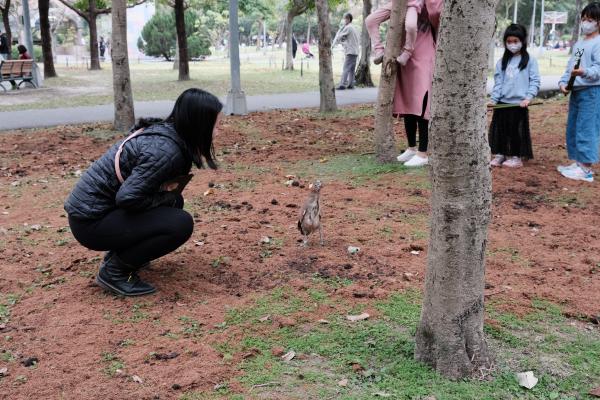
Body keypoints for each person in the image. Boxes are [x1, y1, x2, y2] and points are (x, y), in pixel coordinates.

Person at [64, 88, 223, 296]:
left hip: (95, 214)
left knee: (174, 204)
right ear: (200, 124)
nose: (219, 131)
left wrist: (167, 197)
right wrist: (165, 196)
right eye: (216, 125)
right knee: (180, 223)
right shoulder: (166, 150)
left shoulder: (168, 135)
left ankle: (124, 255)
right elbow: (128, 197)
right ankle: (115, 272)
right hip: (90, 222)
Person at [557, 2, 600, 182]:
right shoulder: (580, 43)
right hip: (577, 92)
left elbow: (597, 68)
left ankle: (586, 169)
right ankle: (578, 162)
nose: (585, 23)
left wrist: (585, 72)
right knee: (574, 127)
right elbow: (571, 67)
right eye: (583, 19)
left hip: (592, 91)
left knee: (587, 128)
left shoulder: (598, 43)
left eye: (590, 20)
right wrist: (563, 82)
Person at [488, 24, 540, 168]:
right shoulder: (501, 62)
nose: (512, 45)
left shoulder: (530, 61)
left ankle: (516, 157)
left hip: (519, 104)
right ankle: (500, 154)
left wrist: (528, 97)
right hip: (502, 103)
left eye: (515, 41)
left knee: (515, 131)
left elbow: (535, 81)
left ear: (522, 41)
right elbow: (498, 83)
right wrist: (493, 99)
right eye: (509, 42)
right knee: (501, 130)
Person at [332, 12, 360, 90]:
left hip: (350, 51)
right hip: (355, 51)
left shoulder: (348, 27)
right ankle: (351, 84)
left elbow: (340, 36)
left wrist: (338, 41)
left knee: (346, 68)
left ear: (348, 19)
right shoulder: (353, 27)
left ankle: (342, 84)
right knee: (351, 69)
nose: (344, 20)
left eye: (345, 19)